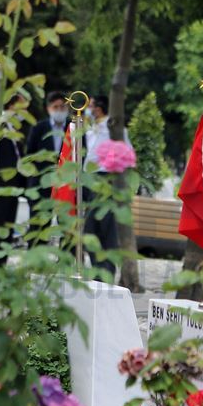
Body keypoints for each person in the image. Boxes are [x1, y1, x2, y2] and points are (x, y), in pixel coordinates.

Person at [82, 95, 131, 276]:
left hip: (107, 178)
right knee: (90, 227)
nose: (88, 109)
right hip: (89, 181)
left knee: (106, 225)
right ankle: (97, 269)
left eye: (91, 105)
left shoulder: (114, 129)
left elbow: (127, 154)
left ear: (99, 108)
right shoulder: (89, 130)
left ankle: (107, 270)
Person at [0, 94, 26, 265]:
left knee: (7, 227)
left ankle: (0, 264)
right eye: (21, 105)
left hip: (13, 185)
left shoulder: (14, 128)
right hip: (0, 184)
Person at [26, 92, 71, 244]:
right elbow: (30, 154)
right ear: (48, 108)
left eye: (62, 106)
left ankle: (67, 261)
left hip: (66, 183)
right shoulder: (39, 128)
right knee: (39, 222)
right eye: (55, 107)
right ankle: (36, 258)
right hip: (41, 182)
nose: (59, 110)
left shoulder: (73, 127)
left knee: (67, 223)